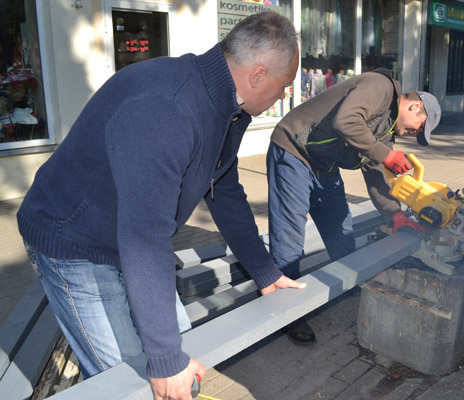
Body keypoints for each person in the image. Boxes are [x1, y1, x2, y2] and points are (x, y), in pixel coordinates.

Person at [17, 11, 305, 400]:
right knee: (128, 381)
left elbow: (224, 188)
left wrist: (265, 271)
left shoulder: (228, 108)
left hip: (128, 237)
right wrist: (166, 361)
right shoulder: (165, 108)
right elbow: (146, 236)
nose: (286, 94)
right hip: (74, 241)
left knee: (178, 352)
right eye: (284, 84)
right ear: (257, 75)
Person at [267, 69, 441, 345]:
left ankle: (347, 281)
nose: (414, 133)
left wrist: (395, 215)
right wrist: (386, 155)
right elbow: (345, 121)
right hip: (294, 149)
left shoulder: (386, 134)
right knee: (290, 235)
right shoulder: (381, 87)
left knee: (341, 226)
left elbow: (375, 176)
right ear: (415, 105)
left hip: (322, 163)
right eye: (419, 126)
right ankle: (285, 311)